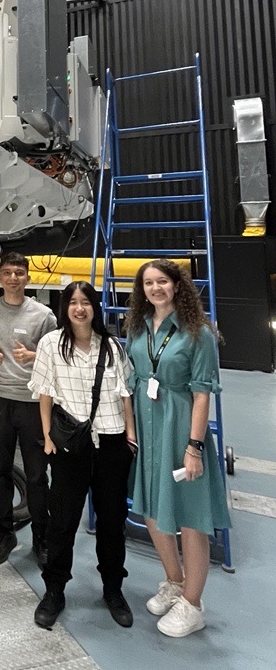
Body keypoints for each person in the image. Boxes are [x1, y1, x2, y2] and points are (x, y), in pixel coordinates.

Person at [125, 258, 231, 638]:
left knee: (190, 517)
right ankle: (174, 581)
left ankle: (193, 603)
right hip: (148, 433)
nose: (155, 288)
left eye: (162, 282)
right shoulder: (138, 329)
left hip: (180, 429)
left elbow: (202, 394)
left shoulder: (197, 332)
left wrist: (194, 447)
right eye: (149, 283)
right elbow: (133, 380)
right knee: (153, 510)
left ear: (177, 286)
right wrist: (130, 429)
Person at [30, 281, 136, 629]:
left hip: (111, 443)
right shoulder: (51, 345)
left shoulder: (112, 347)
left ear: (95, 307)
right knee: (62, 522)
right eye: (73, 302)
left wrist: (130, 438)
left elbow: (124, 395)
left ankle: (113, 588)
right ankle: (55, 589)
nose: (79, 308)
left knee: (111, 523)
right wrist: (47, 438)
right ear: (65, 308)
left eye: (86, 302)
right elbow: (45, 393)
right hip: (70, 447)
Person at [0, 252, 57, 565]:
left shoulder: (43, 315)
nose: (13, 278)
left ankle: (42, 538)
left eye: (19, 273)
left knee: (36, 476)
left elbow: (56, 357)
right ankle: (5, 531)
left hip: (33, 403)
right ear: (1, 276)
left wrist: (33, 357)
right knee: (0, 472)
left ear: (27, 278)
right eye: (7, 272)